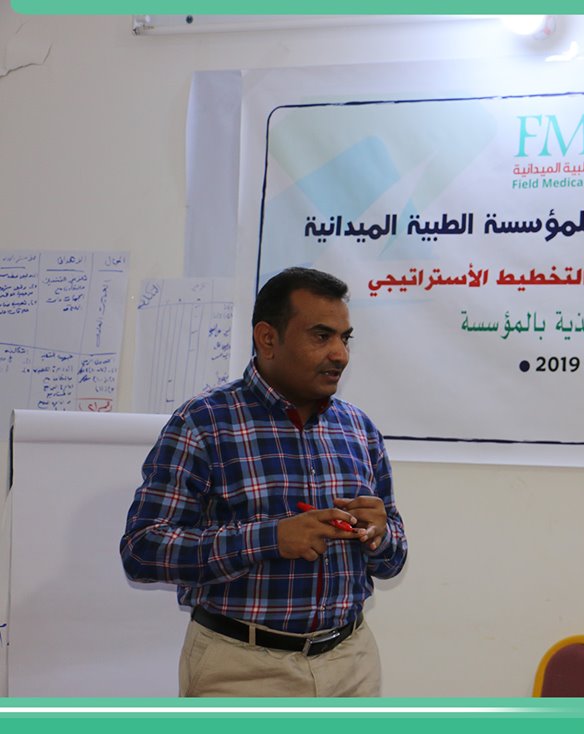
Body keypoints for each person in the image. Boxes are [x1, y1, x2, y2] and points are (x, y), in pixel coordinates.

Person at [120, 267, 407, 697]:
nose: (340, 354)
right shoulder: (203, 422)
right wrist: (270, 539)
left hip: (350, 665)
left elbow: (393, 560)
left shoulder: (358, 429)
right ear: (268, 339)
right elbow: (142, 550)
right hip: (242, 669)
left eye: (344, 338)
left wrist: (380, 536)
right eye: (321, 336)